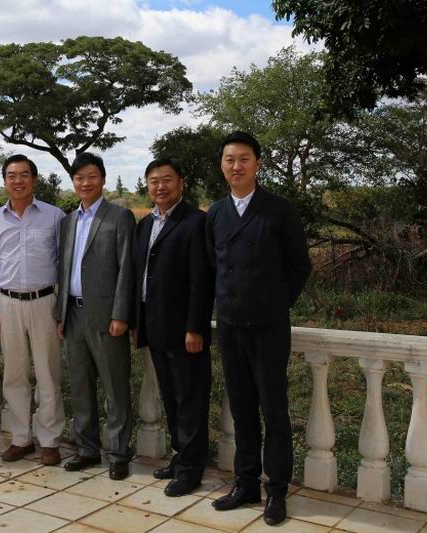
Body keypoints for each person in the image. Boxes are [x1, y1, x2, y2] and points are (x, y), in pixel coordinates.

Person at [206, 132, 311, 526]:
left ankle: (277, 490)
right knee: (241, 407)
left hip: (269, 326)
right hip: (230, 325)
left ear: (258, 164)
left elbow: (300, 265)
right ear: (222, 165)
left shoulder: (279, 210)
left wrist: (275, 302)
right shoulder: (216, 213)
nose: (237, 166)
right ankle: (246, 483)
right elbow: (213, 265)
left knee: (274, 410)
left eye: (244, 159)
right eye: (230, 159)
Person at [132, 158, 214, 497]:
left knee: (191, 399)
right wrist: (138, 322)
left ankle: (192, 469)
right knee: (171, 397)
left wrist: (195, 327)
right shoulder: (144, 224)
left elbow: (201, 280)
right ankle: (181, 457)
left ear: (181, 182)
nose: (160, 186)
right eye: (154, 181)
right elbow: (139, 276)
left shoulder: (196, 222)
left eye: (167, 179)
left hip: (184, 330)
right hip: (155, 325)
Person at [0, 154, 65, 466]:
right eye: (12, 175)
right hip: (8, 304)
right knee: (14, 374)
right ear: (4, 181)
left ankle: (50, 440)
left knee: (48, 373)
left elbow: (66, 264)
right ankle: (20, 438)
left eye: (24, 174)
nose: (18, 180)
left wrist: (63, 310)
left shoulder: (54, 216)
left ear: (34, 179)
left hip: (45, 302)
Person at [55, 152, 136, 480]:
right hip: (72, 316)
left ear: (102, 179)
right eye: (79, 178)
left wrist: (121, 313)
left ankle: (118, 453)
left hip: (106, 317)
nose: (85, 183)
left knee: (115, 387)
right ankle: (87, 449)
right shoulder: (67, 221)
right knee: (80, 385)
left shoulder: (120, 217)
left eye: (91, 176)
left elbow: (126, 268)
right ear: (73, 182)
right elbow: (64, 271)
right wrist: (60, 315)